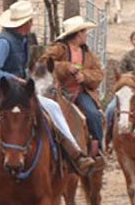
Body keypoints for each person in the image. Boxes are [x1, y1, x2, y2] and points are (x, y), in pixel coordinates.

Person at [0, 0, 95, 204]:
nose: (31, 23)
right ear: (25, 23)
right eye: (29, 20)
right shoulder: (3, 42)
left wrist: (28, 81)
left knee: (53, 107)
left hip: (18, 96)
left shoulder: (22, 40)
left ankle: (75, 152)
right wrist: (15, 80)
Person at [42, 16, 107, 170]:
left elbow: (99, 73)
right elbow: (43, 63)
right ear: (77, 34)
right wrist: (65, 67)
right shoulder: (59, 48)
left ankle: (97, 152)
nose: (86, 35)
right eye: (84, 32)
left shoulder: (88, 54)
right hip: (59, 91)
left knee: (93, 115)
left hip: (80, 92)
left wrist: (84, 76)